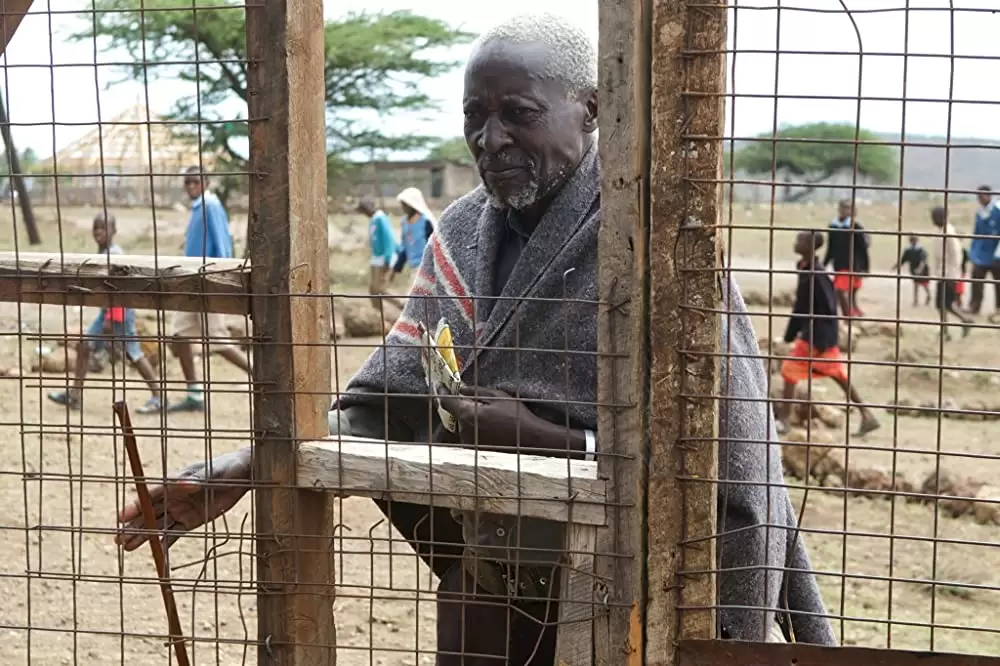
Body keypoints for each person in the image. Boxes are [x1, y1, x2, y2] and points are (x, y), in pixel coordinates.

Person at [113, 13, 837, 660]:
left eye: (519, 114)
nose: (491, 140)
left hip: (624, 591)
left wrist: (556, 441)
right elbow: (390, 398)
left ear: (593, 110)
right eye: (474, 118)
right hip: (487, 571)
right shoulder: (460, 232)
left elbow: (728, 458)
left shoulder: (656, 245)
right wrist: (244, 468)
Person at [47, 212, 164, 414]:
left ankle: (159, 396)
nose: (99, 231)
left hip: (119, 312)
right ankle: (74, 395)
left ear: (114, 231)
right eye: (96, 227)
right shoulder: (103, 253)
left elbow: (119, 288)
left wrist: (111, 317)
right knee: (85, 345)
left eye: (103, 227)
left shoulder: (114, 254)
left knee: (132, 352)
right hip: (106, 313)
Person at [776, 230, 880, 437]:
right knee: (838, 375)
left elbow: (819, 306)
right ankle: (867, 415)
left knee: (789, 370)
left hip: (818, 336)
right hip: (818, 334)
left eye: (800, 239)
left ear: (810, 245)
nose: (796, 242)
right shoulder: (807, 269)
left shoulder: (816, 274)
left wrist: (790, 336)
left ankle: (784, 421)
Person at [167, 167, 251, 414]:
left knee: (216, 339)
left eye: (195, 182)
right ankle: (194, 393)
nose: (190, 186)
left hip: (206, 281)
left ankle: (261, 376)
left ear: (205, 182)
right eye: (187, 182)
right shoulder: (197, 208)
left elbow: (222, 244)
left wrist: (222, 276)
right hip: (190, 280)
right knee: (179, 335)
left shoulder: (210, 206)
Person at [930, 207, 973, 340]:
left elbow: (956, 256)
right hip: (942, 273)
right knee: (941, 304)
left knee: (946, 304)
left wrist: (951, 276)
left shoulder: (949, 233)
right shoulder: (940, 231)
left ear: (943, 217)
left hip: (948, 275)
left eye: (935, 217)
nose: (933, 220)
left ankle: (965, 321)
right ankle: (946, 329)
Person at [823, 199, 870, 318]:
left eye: (849, 208)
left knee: (852, 290)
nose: (846, 211)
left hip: (854, 264)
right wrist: (825, 263)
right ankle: (849, 313)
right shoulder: (833, 226)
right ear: (839, 209)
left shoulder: (856, 227)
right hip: (840, 264)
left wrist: (865, 267)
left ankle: (852, 311)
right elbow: (830, 247)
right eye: (844, 208)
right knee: (840, 289)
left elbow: (863, 249)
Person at [359, 195, 404, 310]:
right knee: (373, 290)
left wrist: (388, 259)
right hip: (376, 259)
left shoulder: (380, 218)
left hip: (383, 259)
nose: (364, 213)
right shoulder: (374, 219)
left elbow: (388, 238)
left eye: (364, 210)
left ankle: (402, 304)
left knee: (380, 289)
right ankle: (378, 315)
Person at [390, 186, 436, 284]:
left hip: (426, 268)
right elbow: (404, 248)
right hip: (414, 268)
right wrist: (395, 269)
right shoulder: (404, 223)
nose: (403, 207)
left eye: (405, 204)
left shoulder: (426, 222)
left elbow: (434, 246)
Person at [967, 185, 1000, 318]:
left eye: (982, 196)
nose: (980, 199)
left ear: (989, 195)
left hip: (996, 253)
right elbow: (976, 233)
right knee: (976, 281)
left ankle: (998, 308)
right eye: (978, 196)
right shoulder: (979, 213)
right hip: (981, 255)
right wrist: (973, 251)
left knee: (998, 283)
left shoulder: (997, 210)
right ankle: (974, 306)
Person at [891, 234, 931, 307]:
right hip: (913, 269)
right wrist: (895, 266)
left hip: (923, 270)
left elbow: (923, 261)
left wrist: (919, 269)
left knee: (924, 284)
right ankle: (916, 300)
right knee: (915, 284)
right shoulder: (908, 250)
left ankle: (928, 296)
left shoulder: (921, 249)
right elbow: (903, 260)